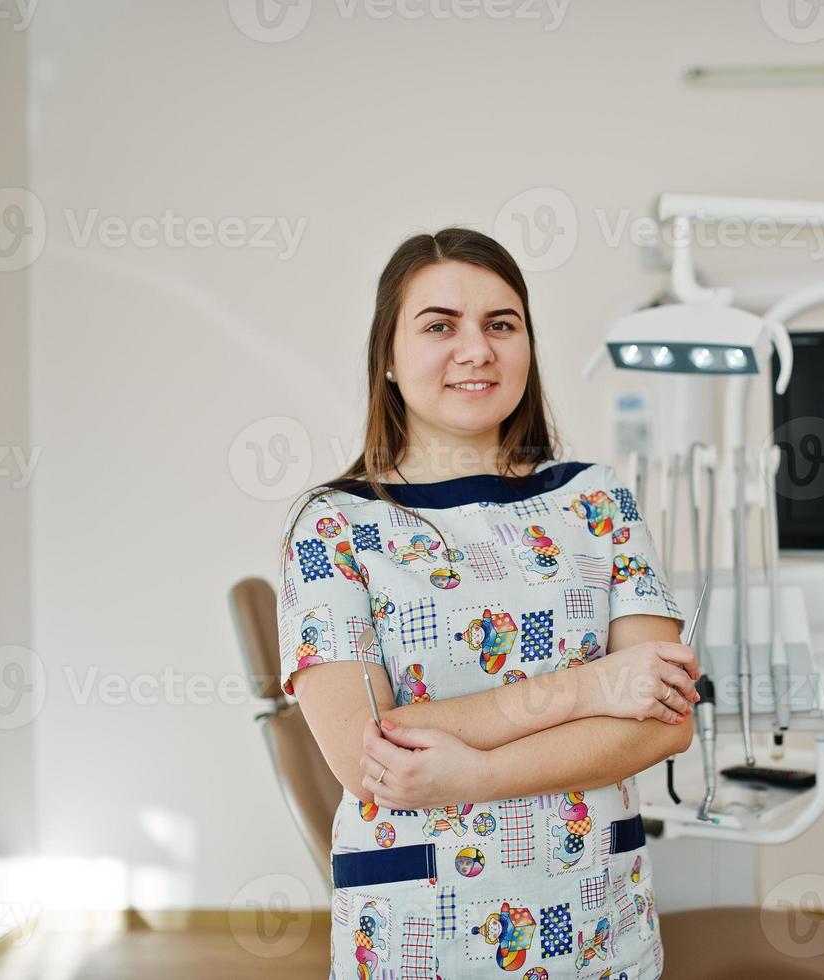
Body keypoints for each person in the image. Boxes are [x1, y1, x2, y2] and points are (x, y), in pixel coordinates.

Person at [276, 227, 701, 979]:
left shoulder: (595, 500)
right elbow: (365, 751)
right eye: (439, 325)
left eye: (500, 324)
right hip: (421, 933)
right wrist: (592, 689)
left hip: (595, 924)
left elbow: (662, 724)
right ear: (388, 356)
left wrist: (467, 774)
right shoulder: (337, 523)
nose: (476, 349)